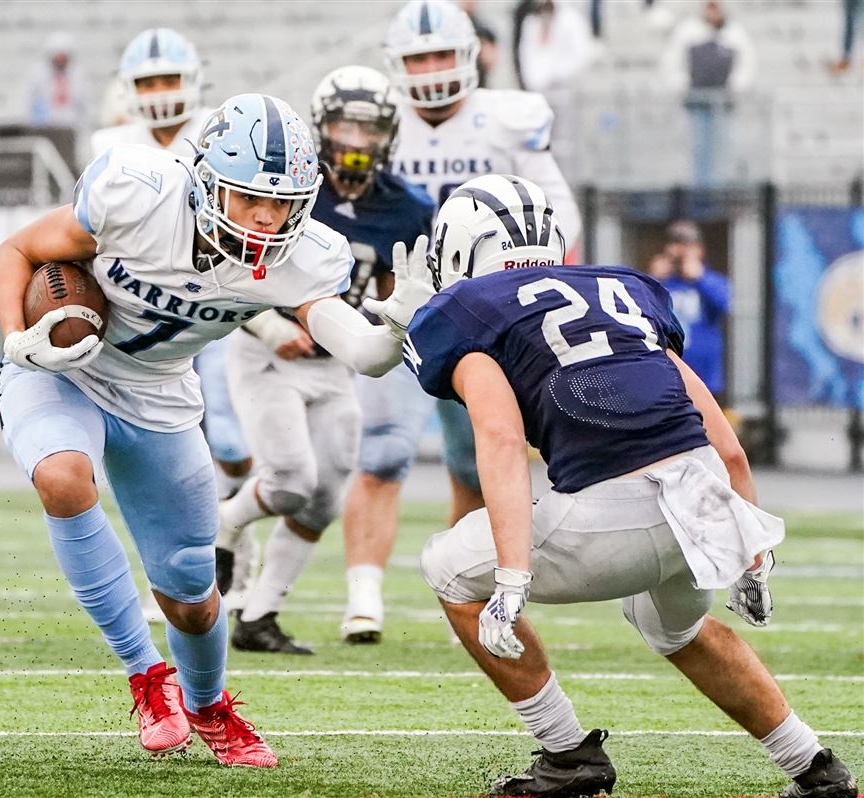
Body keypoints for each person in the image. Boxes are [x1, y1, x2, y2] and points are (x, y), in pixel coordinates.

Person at [375, 172, 857, 798]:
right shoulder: (624, 290)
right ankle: (816, 770)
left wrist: (511, 577)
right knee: (676, 628)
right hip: (702, 505)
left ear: (459, 250)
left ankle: (567, 754)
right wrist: (750, 554)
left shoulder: (467, 312)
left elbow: (497, 440)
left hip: (612, 515)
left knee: (446, 568)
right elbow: (725, 443)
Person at [0, 93, 408, 766]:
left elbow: (359, 351)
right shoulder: (137, 192)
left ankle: (209, 705)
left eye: (284, 203)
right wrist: (18, 338)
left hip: (160, 395)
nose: (268, 217)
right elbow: (18, 249)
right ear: (207, 178)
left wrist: (394, 332)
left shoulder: (301, 256)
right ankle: (146, 678)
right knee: (62, 477)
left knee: (190, 591)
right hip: (65, 371)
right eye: (250, 198)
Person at [338, 0, 582, 646]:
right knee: (383, 451)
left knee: (474, 466)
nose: (431, 70)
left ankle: (466, 591)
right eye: (418, 58)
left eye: (441, 54)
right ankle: (364, 597)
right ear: (396, 64)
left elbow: (559, 214)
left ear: (471, 55)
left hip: (484, 321)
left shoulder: (506, 119)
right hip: (403, 307)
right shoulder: (377, 120)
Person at [216, 66, 434, 655]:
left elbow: (398, 288)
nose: (357, 142)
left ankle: (259, 616)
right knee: (291, 479)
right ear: (322, 127)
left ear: (388, 134)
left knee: (326, 492)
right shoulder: (290, 188)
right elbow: (228, 261)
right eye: (345, 126)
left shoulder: (408, 208)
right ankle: (227, 524)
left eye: (369, 130)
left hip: (335, 360)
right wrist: (264, 324)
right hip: (268, 350)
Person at [91, 28, 259, 622]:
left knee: (233, 444)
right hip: (143, 309)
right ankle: (184, 567)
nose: (161, 93)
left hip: (212, 306)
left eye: (169, 79)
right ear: (129, 90)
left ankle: (237, 538)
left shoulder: (221, 129)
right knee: (151, 461)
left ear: (194, 81)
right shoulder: (110, 143)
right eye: (148, 82)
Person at [660, 1, 756, 187]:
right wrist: (684, 84)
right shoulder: (688, 31)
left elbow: (747, 65)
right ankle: (700, 191)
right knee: (698, 148)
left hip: (723, 104)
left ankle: (720, 191)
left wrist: (734, 87)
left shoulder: (735, 33)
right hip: (697, 102)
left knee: (722, 148)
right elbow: (671, 61)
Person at [512, 0, 593, 180]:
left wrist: (553, 76)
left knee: (565, 149)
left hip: (565, 97)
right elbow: (526, 55)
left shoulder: (572, 20)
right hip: (538, 97)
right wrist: (535, 83)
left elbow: (581, 56)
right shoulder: (532, 22)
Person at [650, 219, 731, 398]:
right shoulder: (659, 283)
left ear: (699, 250)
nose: (680, 251)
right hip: (667, 375)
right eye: (675, 244)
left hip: (705, 377)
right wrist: (653, 280)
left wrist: (700, 278)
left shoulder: (710, 280)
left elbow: (725, 304)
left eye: (686, 245)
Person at [27, 31, 89, 131]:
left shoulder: (77, 75)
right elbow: (28, 100)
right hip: (46, 126)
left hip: (70, 125)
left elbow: (84, 104)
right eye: (57, 56)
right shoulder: (38, 74)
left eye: (63, 57)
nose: (60, 60)